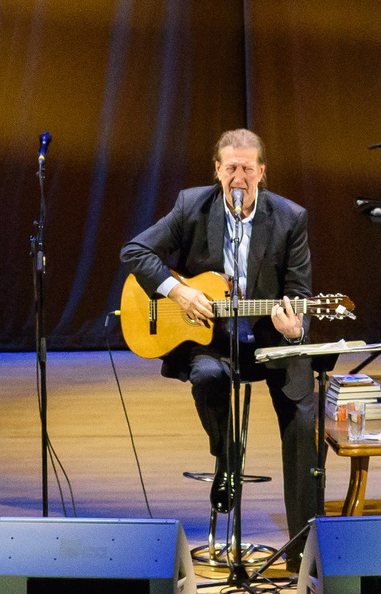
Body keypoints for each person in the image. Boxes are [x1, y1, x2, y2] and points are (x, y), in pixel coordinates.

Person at [121, 128, 322, 559]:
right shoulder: (192, 206)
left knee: (306, 423)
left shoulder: (290, 218)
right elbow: (135, 252)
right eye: (230, 168)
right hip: (211, 340)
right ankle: (228, 455)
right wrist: (178, 292)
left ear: (262, 173)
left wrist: (295, 328)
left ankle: (304, 554)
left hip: (272, 341)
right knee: (209, 377)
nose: (238, 177)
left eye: (247, 169)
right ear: (217, 171)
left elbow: (300, 292)